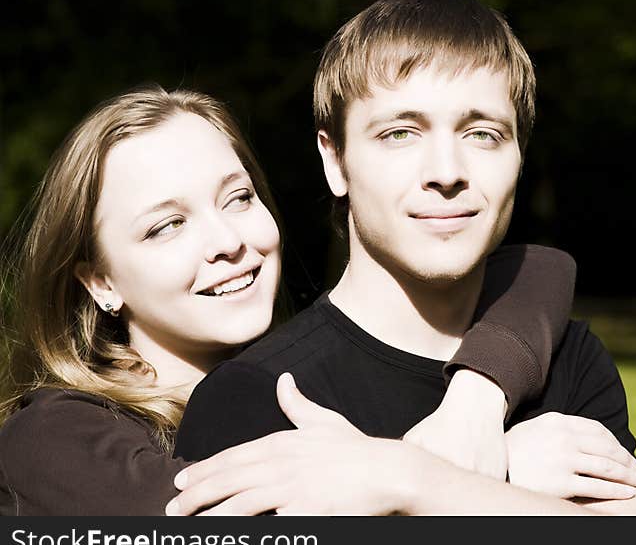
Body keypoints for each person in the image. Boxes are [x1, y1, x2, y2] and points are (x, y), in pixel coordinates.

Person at [171, 0, 636, 515]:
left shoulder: (566, 356)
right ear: (335, 161)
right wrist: (492, 487)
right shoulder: (256, 399)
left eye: (482, 134)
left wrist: (419, 486)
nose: (446, 172)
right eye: (400, 133)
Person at [0, 85, 581, 515]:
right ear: (100, 282)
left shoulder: (306, 376)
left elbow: (537, 269)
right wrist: (469, 476)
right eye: (167, 226)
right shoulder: (52, 437)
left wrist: (477, 400)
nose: (229, 242)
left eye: (238, 198)